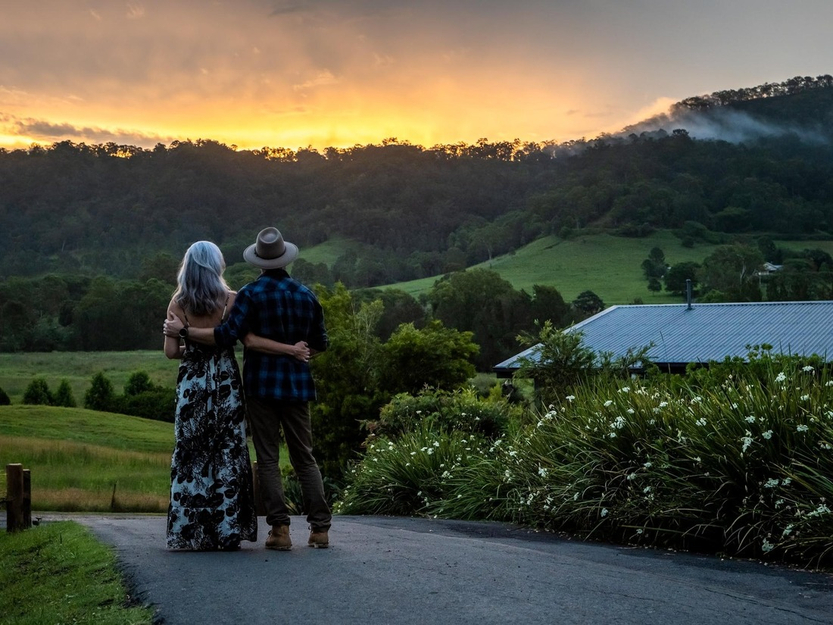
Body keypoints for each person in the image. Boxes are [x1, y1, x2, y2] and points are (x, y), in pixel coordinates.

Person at [164, 227, 332, 551]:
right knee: (305, 458)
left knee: (267, 459)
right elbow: (320, 343)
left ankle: (280, 530)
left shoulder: (251, 295)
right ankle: (320, 529)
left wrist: (185, 331)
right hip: (297, 387)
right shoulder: (306, 295)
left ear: (259, 261)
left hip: (261, 386)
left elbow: (230, 336)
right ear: (286, 259)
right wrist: (296, 349)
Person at [162, 240, 259, 550]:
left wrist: (184, 337)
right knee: (227, 450)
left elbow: (170, 352)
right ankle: (227, 529)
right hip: (225, 383)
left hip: (193, 382)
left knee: (192, 451)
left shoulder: (177, 304)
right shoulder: (231, 301)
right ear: (216, 267)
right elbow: (232, 339)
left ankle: (191, 531)